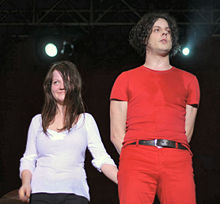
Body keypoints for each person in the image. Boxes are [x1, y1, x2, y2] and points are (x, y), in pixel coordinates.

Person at [110, 13, 200, 204]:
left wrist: (169, 152)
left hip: (177, 157)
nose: (164, 34)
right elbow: (117, 133)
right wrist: (133, 157)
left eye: (168, 31)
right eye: (157, 30)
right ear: (145, 38)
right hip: (136, 157)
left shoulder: (189, 80)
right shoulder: (125, 79)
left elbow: (187, 131)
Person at [19, 61, 118, 204]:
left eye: (66, 81)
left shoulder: (86, 121)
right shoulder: (37, 122)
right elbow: (29, 158)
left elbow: (102, 158)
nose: (61, 86)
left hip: (75, 193)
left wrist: (123, 180)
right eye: (56, 82)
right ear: (49, 87)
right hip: (41, 192)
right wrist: (26, 183)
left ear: (75, 86)